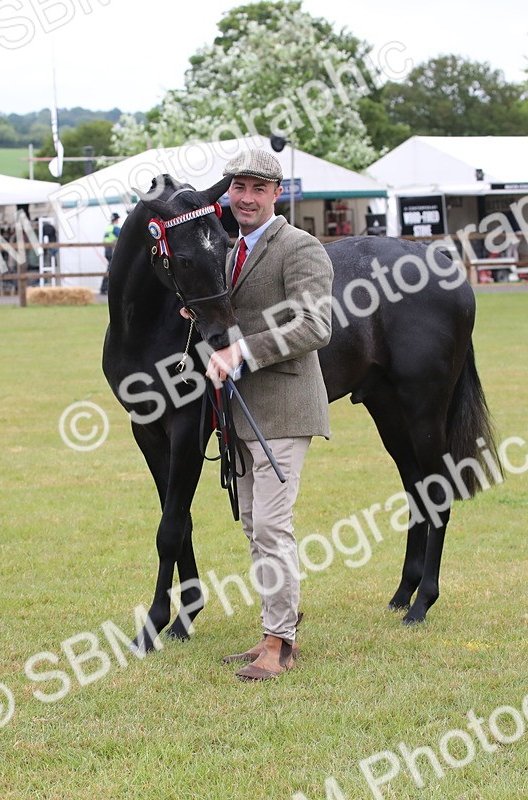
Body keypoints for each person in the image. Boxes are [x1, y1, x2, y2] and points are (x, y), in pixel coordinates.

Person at [202, 149, 333, 681]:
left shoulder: (299, 247)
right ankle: (272, 630)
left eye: (259, 188)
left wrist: (243, 350)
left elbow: (314, 326)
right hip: (240, 411)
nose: (247, 198)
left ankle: (282, 643)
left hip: (285, 406)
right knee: (255, 526)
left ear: (277, 193)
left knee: (273, 527)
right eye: (239, 187)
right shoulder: (227, 249)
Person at [100, 212, 120, 294]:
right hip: (112, 250)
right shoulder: (115, 228)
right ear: (116, 219)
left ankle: (105, 288)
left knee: (110, 268)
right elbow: (122, 235)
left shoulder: (108, 227)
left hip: (107, 249)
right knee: (111, 269)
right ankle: (105, 288)